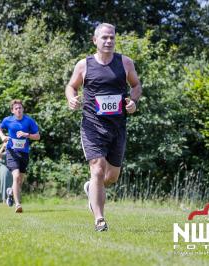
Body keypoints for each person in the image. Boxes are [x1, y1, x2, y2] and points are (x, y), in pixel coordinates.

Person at [65, 23, 142, 231]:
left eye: (112, 38)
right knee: (97, 169)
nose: (109, 41)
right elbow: (71, 86)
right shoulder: (84, 65)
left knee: (111, 177)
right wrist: (71, 99)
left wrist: (133, 102)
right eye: (104, 38)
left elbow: (136, 85)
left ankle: (91, 188)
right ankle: (99, 219)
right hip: (92, 126)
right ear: (95, 40)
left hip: (117, 126)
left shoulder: (125, 63)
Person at [0, 99, 40, 213]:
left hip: (24, 153)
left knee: (20, 180)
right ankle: (18, 204)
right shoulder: (8, 120)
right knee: (15, 177)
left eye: (20, 108)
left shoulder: (29, 121)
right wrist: (2, 137)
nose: (18, 110)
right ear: (12, 111)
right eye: (16, 108)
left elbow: (38, 136)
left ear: (23, 109)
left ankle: (10, 193)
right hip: (12, 152)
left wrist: (27, 135)